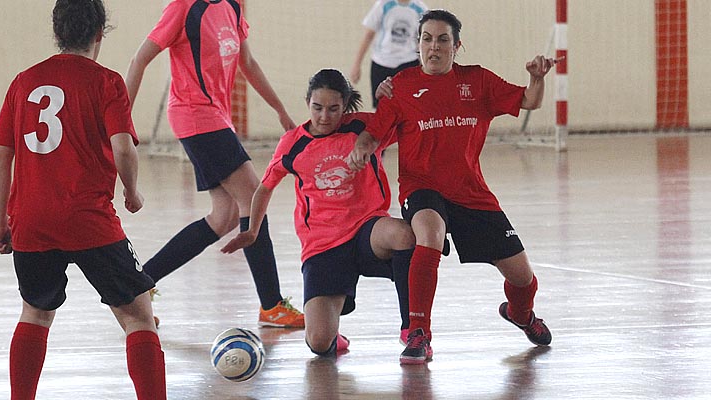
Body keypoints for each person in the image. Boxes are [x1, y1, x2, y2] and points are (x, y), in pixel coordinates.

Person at [349, 9, 556, 364]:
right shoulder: (400, 86)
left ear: (457, 46)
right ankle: (419, 334)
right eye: (426, 39)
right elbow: (375, 132)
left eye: (442, 39)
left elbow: (529, 101)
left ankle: (522, 315)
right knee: (429, 232)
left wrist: (537, 78)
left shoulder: (478, 81)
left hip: (471, 192)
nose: (434, 46)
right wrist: (361, 148)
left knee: (523, 278)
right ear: (417, 45)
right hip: (421, 188)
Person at [0, 1, 165, 398]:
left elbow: (0, 157)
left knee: (36, 312)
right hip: (89, 219)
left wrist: (2, 220)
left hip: (31, 220)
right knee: (138, 315)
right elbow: (123, 148)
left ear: (57, 29)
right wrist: (132, 191)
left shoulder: (24, 82)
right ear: (100, 32)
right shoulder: (106, 82)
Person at [124, 0, 304, 328]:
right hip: (194, 114)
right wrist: (122, 123)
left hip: (218, 116)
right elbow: (140, 58)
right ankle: (271, 304)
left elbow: (247, 61)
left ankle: (136, 286)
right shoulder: (183, 8)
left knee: (225, 216)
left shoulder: (233, 7)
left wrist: (279, 110)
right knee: (252, 195)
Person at [222, 69, 416, 357]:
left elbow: (411, 123)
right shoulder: (293, 143)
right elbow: (264, 188)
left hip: (367, 230)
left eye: (334, 109)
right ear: (307, 103)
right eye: (318, 108)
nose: (325, 116)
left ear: (346, 105)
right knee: (318, 343)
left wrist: (391, 97)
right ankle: (331, 334)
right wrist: (252, 230)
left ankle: (412, 329)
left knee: (403, 234)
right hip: (323, 246)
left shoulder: (363, 127)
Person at [350, 0, 428, 108]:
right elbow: (369, 35)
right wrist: (356, 65)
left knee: (408, 106)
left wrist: (426, 68)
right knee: (381, 107)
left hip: (407, 62)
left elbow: (423, 40)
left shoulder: (420, 8)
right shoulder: (383, 5)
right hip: (382, 62)